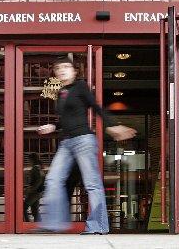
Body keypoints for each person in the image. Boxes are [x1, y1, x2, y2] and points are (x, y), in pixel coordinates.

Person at [36, 56, 136, 234]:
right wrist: (53, 126)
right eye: (58, 68)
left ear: (74, 71)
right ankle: (54, 223)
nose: (62, 70)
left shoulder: (81, 87)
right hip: (66, 143)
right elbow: (66, 119)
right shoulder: (60, 92)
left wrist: (112, 125)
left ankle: (98, 226)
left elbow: (96, 107)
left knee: (92, 184)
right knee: (52, 180)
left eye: (66, 67)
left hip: (84, 140)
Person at [23, 153, 44, 222]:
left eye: (29, 159)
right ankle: (38, 225)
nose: (28, 161)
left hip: (34, 193)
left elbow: (39, 179)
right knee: (35, 211)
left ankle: (27, 223)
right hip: (37, 193)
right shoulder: (39, 167)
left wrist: (31, 189)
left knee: (23, 208)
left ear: (32, 159)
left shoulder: (36, 168)